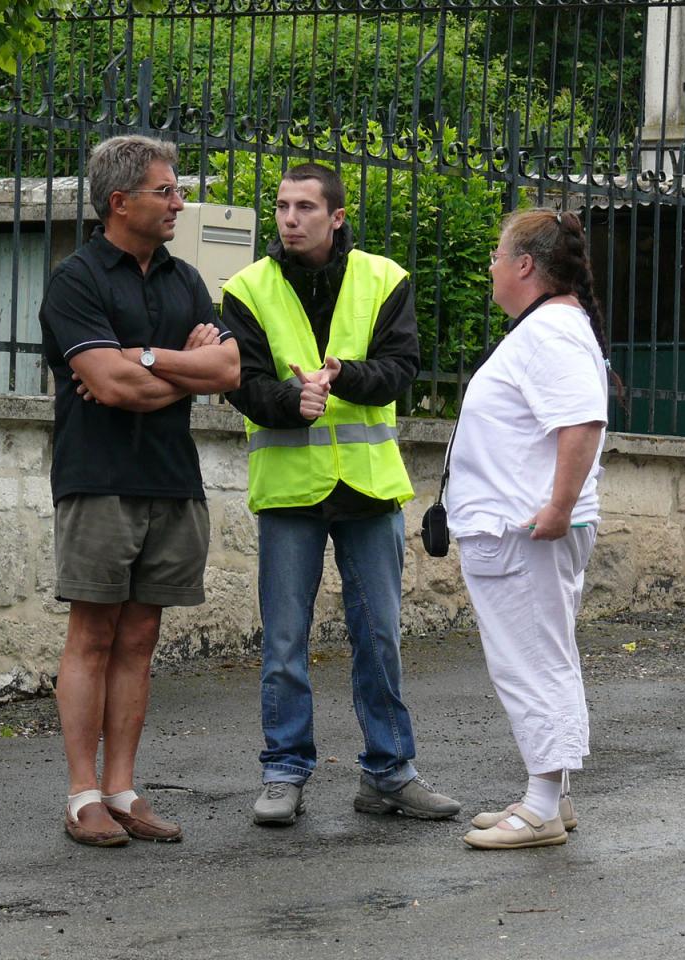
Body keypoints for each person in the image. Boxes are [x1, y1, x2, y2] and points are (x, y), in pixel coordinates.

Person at [222, 162, 460, 827]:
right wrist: (288, 401)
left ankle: (389, 772)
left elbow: (401, 368)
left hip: (367, 488)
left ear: (337, 216)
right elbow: (239, 380)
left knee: (379, 638)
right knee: (284, 643)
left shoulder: (385, 279)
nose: (288, 219)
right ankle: (283, 770)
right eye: (281, 206)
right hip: (290, 490)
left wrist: (343, 376)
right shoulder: (246, 287)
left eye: (304, 207)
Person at [39, 135, 240, 846]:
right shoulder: (76, 280)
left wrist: (145, 359)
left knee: (141, 637)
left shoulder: (186, 280)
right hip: (97, 479)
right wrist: (179, 370)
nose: (180, 202)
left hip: (172, 479)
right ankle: (82, 795)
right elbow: (109, 385)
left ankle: (122, 790)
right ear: (120, 201)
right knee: (93, 634)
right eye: (167, 190)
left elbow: (228, 371)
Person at [446, 208, 612, 850]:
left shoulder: (550, 332)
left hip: (523, 532)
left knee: (530, 665)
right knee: (542, 658)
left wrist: (558, 507)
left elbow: (581, 422)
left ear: (523, 266)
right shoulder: (552, 327)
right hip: (519, 529)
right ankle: (552, 796)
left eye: (496, 256)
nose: (490, 268)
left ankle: (541, 806)